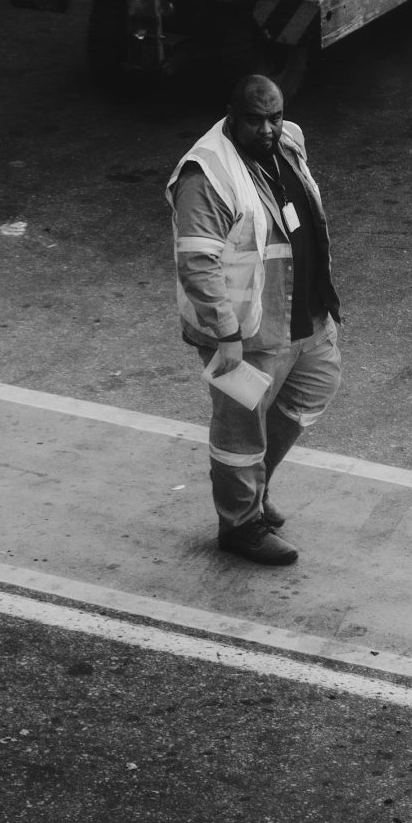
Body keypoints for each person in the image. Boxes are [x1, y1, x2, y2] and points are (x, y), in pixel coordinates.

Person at [165, 75, 342, 565]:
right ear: (230, 114)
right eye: (255, 119)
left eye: (275, 117)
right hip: (245, 332)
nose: (268, 129)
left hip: (303, 311)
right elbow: (197, 263)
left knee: (313, 390)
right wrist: (226, 336)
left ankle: (254, 489)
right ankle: (240, 526)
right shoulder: (206, 175)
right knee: (240, 431)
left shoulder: (290, 141)